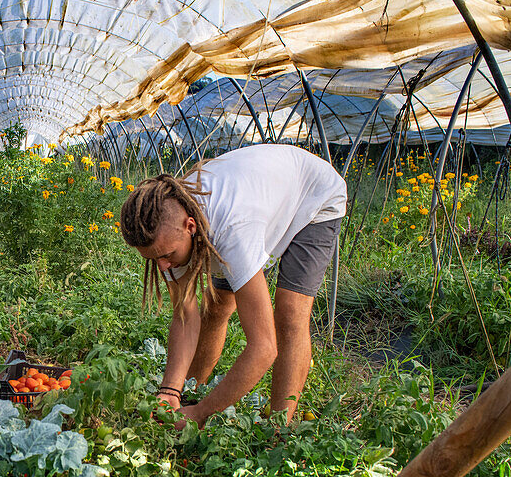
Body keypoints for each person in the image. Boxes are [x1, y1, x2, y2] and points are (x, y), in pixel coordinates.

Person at [119, 143, 346, 427]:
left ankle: (278, 429)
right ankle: (189, 395)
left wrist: (203, 414)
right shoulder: (167, 217)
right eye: (154, 259)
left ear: (191, 227)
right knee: (215, 307)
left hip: (314, 197)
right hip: (262, 193)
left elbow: (263, 348)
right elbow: (185, 315)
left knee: (290, 314)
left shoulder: (232, 231)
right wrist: (169, 390)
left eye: (166, 256)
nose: (163, 266)